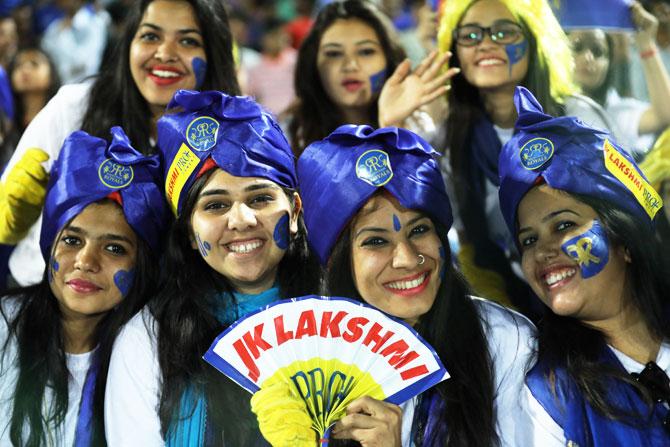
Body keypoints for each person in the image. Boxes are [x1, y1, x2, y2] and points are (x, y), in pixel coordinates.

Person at [253, 124, 536, 446]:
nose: (405, 258)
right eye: (376, 241)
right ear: (336, 262)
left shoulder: (506, 340)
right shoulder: (306, 367)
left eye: (419, 231)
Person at [105, 91, 319, 445]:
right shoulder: (148, 336)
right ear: (190, 232)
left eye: (260, 199)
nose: (242, 220)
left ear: (295, 211)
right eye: (216, 205)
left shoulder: (343, 316)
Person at [0, 0, 239, 287]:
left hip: (158, 310)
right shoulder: (74, 107)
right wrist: (14, 210)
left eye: (188, 41)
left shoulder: (230, 133)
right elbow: (4, 218)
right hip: (42, 295)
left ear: (213, 53)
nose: (164, 53)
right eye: (150, 36)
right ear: (128, 43)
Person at [498, 86, 669, 445]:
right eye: (528, 240)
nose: (543, 251)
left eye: (564, 226)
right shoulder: (546, 397)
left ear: (625, 241)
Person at [436, 0, 614, 317]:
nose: (487, 43)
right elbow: (471, 248)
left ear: (535, 41)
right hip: (514, 306)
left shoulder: (578, 117)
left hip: (599, 293)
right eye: (471, 35)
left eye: (504, 32)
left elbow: (621, 221)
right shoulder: (451, 138)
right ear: (454, 50)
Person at [0, 126, 166, 446]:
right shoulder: (5, 324)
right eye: (72, 240)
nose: (85, 261)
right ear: (49, 248)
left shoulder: (150, 353)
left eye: (114, 248)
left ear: (141, 265)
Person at [287, 0, 458, 156]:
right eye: (334, 53)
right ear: (313, 64)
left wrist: (393, 127)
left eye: (366, 51)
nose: (350, 65)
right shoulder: (287, 138)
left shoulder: (420, 128)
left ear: (389, 59)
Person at [568, 2, 670, 156]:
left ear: (610, 65)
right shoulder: (541, 104)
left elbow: (664, 115)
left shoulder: (617, 114)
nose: (588, 57)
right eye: (577, 47)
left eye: (598, 51)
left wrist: (646, 42)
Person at [8, 46, 61, 134]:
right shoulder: (7, 123)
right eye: (18, 65)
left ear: (52, 75)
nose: (25, 70)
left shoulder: (61, 120)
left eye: (34, 64)